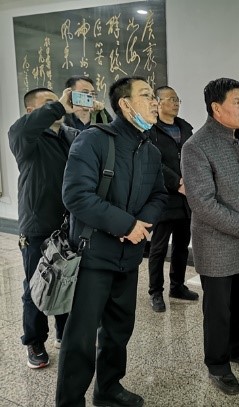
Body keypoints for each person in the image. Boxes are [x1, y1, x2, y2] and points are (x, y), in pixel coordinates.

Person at [55, 76, 168, 407]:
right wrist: (126, 224)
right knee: (81, 337)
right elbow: (76, 195)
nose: (155, 102)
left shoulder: (150, 151)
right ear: (125, 104)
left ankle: (108, 388)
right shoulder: (93, 140)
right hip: (92, 256)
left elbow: (160, 195)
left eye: (154, 96)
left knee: (119, 330)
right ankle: (70, 401)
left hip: (128, 257)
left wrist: (139, 225)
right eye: (146, 95)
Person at [181, 78, 239, 396]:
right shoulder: (196, 146)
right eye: (237, 102)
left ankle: (236, 347)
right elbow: (203, 203)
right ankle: (217, 363)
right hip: (216, 244)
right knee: (218, 310)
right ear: (217, 108)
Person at [8, 87, 79, 369]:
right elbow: (23, 129)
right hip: (37, 227)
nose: (58, 106)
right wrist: (58, 105)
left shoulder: (66, 136)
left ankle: (64, 332)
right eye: (48, 103)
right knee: (37, 285)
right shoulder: (24, 137)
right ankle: (34, 341)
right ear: (31, 111)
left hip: (67, 224)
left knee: (66, 279)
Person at [147, 85, 199, 312]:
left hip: (186, 199)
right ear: (157, 103)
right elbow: (153, 162)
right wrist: (177, 182)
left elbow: (195, 157)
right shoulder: (150, 130)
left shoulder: (185, 128)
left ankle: (177, 286)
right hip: (163, 197)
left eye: (177, 99)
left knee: (181, 246)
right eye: (170, 99)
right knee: (158, 248)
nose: (176, 103)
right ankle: (155, 291)